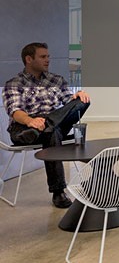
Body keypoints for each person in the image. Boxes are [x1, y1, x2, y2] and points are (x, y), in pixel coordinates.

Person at [2, 42, 91, 208]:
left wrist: (78, 95)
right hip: (23, 126)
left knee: (82, 101)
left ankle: (46, 126)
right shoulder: (14, 83)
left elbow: (68, 103)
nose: (48, 60)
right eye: (43, 57)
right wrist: (31, 121)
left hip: (52, 121)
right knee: (52, 132)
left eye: (48, 56)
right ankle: (58, 192)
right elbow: (15, 111)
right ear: (29, 59)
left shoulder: (56, 80)